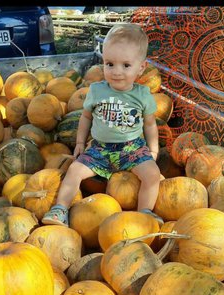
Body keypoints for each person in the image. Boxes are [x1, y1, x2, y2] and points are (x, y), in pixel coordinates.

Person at [41, 23, 161, 226]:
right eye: (109, 64)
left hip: (132, 149)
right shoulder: (97, 90)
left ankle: (145, 213)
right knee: (74, 171)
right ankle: (60, 209)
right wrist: (80, 142)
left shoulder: (142, 95)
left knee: (153, 175)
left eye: (126, 65)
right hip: (99, 149)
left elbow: (150, 125)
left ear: (141, 67)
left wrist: (153, 151)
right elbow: (86, 117)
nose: (116, 71)